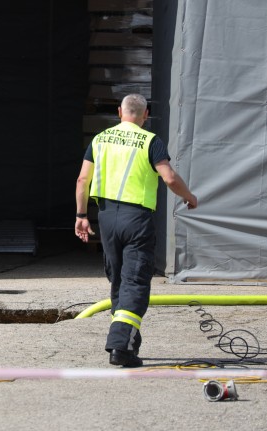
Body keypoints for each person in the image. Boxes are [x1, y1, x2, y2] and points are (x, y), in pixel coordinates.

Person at [75, 94, 198, 367]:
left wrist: (81, 215)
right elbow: (168, 177)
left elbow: (84, 178)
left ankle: (128, 343)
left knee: (119, 278)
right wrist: (189, 196)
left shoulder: (100, 139)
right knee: (135, 280)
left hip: (106, 218)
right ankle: (120, 345)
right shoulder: (150, 141)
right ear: (146, 115)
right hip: (136, 220)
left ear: (120, 112)